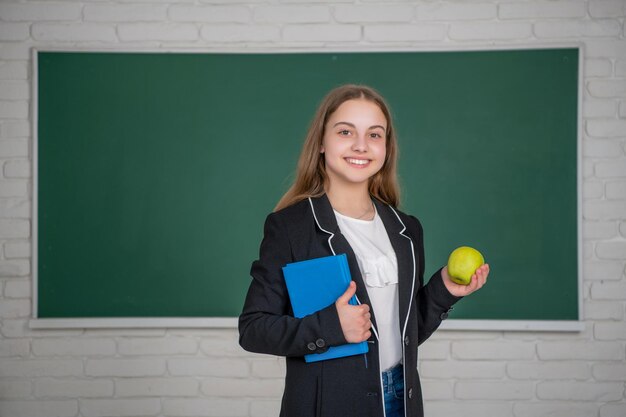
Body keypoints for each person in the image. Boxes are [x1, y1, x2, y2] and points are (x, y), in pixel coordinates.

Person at [238, 84, 489, 417]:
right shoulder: (290, 227)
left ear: (386, 147)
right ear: (322, 143)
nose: (361, 145)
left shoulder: (406, 229)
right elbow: (254, 329)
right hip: (329, 406)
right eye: (345, 131)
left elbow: (404, 333)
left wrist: (445, 290)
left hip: (402, 398)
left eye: (374, 135)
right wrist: (331, 327)